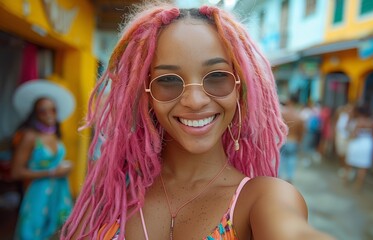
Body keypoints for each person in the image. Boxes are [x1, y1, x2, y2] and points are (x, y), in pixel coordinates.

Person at [62, 4, 334, 240]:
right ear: (146, 94)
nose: (194, 100)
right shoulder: (111, 194)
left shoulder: (262, 199)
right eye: (168, 80)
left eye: (216, 77)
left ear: (240, 90)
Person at [11, 80, 75, 240]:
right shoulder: (30, 136)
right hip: (38, 196)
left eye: (52, 110)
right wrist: (52, 172)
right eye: (42, 111)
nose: (49, 114)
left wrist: (64, 168)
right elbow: (16, 172)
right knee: (33, 234)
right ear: (35, 114)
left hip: (59, 193)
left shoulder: (54, 133)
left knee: (59, 233)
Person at [344, 105, 373, 190]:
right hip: (367, 144)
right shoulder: (371, 121)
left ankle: (346, 181)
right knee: (363, 166)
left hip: (356, 144)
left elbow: (353, 134)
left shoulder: (356, 121)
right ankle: (358, 185)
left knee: (350, 164)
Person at [279, 96, 304, 183]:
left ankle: (278, 176)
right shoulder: (299, 116)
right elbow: (301, 132)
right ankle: (289, 178)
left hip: (283, 139)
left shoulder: (282, 114)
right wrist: (299, 141)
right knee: (291, 159)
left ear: (289, 101)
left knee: (281, 158)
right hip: (293, 140)